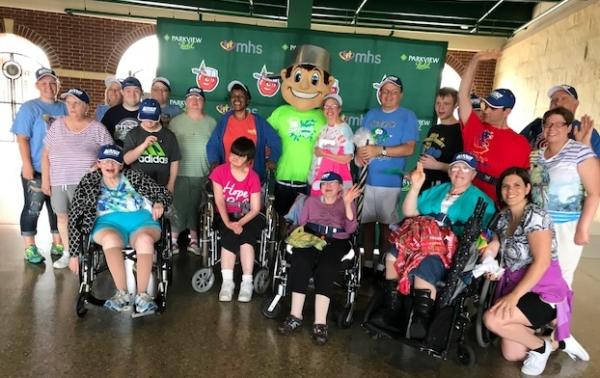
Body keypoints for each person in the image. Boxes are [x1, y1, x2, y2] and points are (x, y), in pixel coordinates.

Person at [482, 167, 588, 376]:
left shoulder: (535, 215)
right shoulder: (503, 217)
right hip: (517, 285)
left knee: (492, 319)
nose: (510, 190)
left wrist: (513, 297)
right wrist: (489, 262)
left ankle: (542, 348)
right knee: (512, 355)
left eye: (516, 185)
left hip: (543, 290)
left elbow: (542, 263)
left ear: (527, 188)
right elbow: (495, 242)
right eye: (505, 186)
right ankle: (559, 342)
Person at [383, 153, 495, 339]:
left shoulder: (482, 201)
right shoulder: (438, 190)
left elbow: (481, 236)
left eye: (465, 168)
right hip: (419, 238)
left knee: (427, 264)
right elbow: (411, 213)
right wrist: (415, 187)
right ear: (449, 171)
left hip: (448, 247)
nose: (459, 172)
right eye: (455, 167)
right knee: (392, 254)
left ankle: (421, 318)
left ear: (473, 174)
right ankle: (392, 305)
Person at [67, 144, 172, 314]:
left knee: (145, 240)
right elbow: (75, 216)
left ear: (122, 164)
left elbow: (164, 193)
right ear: (99, 163)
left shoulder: (134, 176)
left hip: (141, 220)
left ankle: (143, 295)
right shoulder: (88, 182)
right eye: (106, 161)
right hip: (108, 223)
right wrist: (73, 253)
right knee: (110, 240)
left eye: (115, 162)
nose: (110, 165)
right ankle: (121, 293)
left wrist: (159, 202)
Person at [278, 172, 360, 345]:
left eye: (332, 183)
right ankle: (295, 316)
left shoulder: (346, 202)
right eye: (324, 184)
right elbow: (302, 222)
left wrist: (346, 204)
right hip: (312, 236)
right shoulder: (311, 202)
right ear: (320, 187)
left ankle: (320, 323)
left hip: (337, 241)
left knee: (326, 268)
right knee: (301, 262)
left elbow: (351, 228)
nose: (328, 186)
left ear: (339, 187)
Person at [42, 88, 113, 269]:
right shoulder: (57, 125)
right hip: (59, 181)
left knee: (87, 218)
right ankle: (69, 252)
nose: (71, 107)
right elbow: (46, 153)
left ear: (86, 107)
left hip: (86, 184)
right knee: (62, 218)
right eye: (68, 102)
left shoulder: (97, 128)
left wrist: (97, 166)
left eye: (76, 103)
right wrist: (45, 179)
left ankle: (89, 252)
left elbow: (111, 155)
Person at [529, 107, 600, 287]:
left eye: (559, 124)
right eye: (548, 124)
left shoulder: (580, 152)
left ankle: (559, 315)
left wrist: (583, 228)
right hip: (537, 224)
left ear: (568, 128)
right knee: (535, 274)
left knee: (560, 277)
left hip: (566, 226)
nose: (552, 128)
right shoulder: (535, 155)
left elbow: (594, 192)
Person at [356, 75, 419, 272]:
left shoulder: (407, 116)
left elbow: (409, 148)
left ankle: (383, 265)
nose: (388, 95)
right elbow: (362, 141)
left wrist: (379, 150)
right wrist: (360, 155)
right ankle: (366, 263)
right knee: (366, 223)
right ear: (379, 93)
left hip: (390, 180)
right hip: (367, 178)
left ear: (401, 95)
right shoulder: (371, 114)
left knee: (385, 225)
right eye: (385, 91)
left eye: (393, 91)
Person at [268, 45, 335, 216]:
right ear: (286, 77)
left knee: (302, 223)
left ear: (328, 84)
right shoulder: (281, 112)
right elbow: (263, 136)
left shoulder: (323, 117)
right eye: (298, 77)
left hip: (310, 180)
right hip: (282, 175)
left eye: (314, 80)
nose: (304, 86)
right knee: (279, 218)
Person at [11, 67, 67, 264]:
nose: (49, 86)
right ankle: (30, 247)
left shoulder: (65, 107)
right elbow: (22, 138)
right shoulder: (30, 108)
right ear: (37, 85)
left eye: (52, 83)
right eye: (44, 83)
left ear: (58, 85)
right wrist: (26, 165)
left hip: (60, 171)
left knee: (58, 208)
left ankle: (58, 242)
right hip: (36, 168)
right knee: (33, 208)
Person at [457, 50, 531, 201]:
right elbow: (462, 95)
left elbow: (522, 181)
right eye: (486, 105)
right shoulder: (476, 127)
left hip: (496, 203)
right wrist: (475, 59)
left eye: (493, 108)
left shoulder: (521, 143)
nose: (487, 111)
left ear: (507, 111)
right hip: (466, 197)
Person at [209, 137, 263, 303]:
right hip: (226, 215)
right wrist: (229, 223)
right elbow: (219, 201)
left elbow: (255, 208)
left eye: (240, 156)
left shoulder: (253, 177)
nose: (234, 157)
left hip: (248, 216)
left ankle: (247, 282)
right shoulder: (219, 172)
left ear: (248, 160)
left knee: (247, 240)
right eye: (233, 153)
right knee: (228, 238)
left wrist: (240, 223)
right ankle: (227, 283)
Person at [169, 87, 216, 255]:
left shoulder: (211, 122)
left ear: (203, 102)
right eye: (191, 98)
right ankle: (173, 241)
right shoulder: (175, 122)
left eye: (199, 98)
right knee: (179, 206)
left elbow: (216, 148)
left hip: (202, 171)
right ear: (185, 102)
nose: (195, 101)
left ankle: (194, 240)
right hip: (180, 171)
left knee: (196, 206)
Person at [207, 80, 281, 184]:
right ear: (230, 100)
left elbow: (275, 141)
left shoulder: (258, 122)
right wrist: (214, 160)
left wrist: (273, 159)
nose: (237, 98)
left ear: (247, 100)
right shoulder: (224, 121)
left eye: (241, 95)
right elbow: (212, 144)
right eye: (233, 95)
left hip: (253, 179)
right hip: (227, 178)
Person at [520, 84, 600, 155]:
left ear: (576, 103)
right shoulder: (536, 125)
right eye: (554, 100)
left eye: (564, 99)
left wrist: (586, 148)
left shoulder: (586, 131)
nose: (557, 103)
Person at [123, 98, 181, 192]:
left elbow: (174, 162)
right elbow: (127, 160)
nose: (149, 122)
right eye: (145, 118)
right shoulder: (133, 134)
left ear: (159, 116)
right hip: (138, 187)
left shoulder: (169, 136)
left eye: (153, 119)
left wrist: (171, 184)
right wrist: (144, 145)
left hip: (162, 186)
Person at [308, 93, 354, 196]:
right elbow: (317, 156)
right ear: (323, 110)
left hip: (337, 184)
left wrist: (325, 154)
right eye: (326, 107)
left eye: (333, 106)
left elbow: (347, 158)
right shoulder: (323, 129)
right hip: (320, 181)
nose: (329, 109)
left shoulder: (344, 129)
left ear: (339, 109)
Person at [420, 87, 463, 190]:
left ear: (455, 105)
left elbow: (463, 168)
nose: (441, 108)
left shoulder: (459, 132)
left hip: (442, 189)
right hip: (424, 186)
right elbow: (425, 157)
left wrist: (438, 165)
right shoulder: (434, 128)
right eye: (438, 103)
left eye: (446, 104)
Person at [101, 76, 143, 146]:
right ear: (122, 92)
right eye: (128, 91)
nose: (132, 94)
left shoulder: (150, 112)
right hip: (116, 154)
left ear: (141, 92)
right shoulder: (111, 113)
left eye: (136, 91)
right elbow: (100, 138)